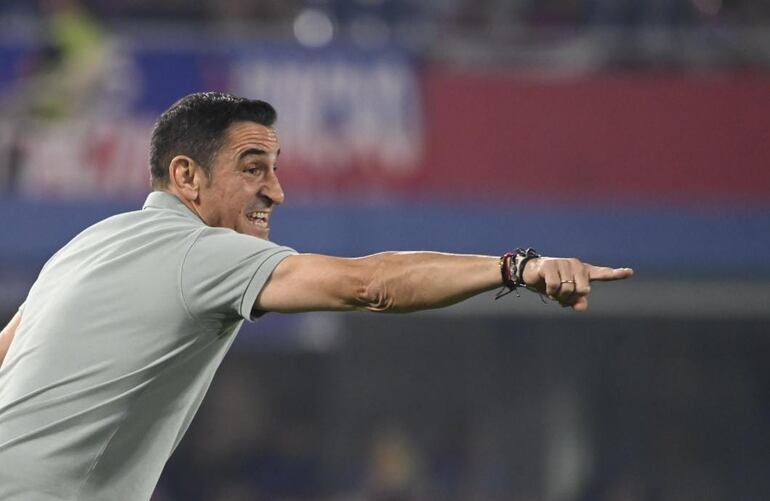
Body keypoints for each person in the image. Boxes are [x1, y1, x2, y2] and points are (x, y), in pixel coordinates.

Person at [0, 92, 633, 500]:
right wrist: (515, 268)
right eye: (253, 168)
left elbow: (7, 352)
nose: (276, 191)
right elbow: (371, 285)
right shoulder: (199, 252)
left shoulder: (86, 244)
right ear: (186, 176)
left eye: (275, 169)